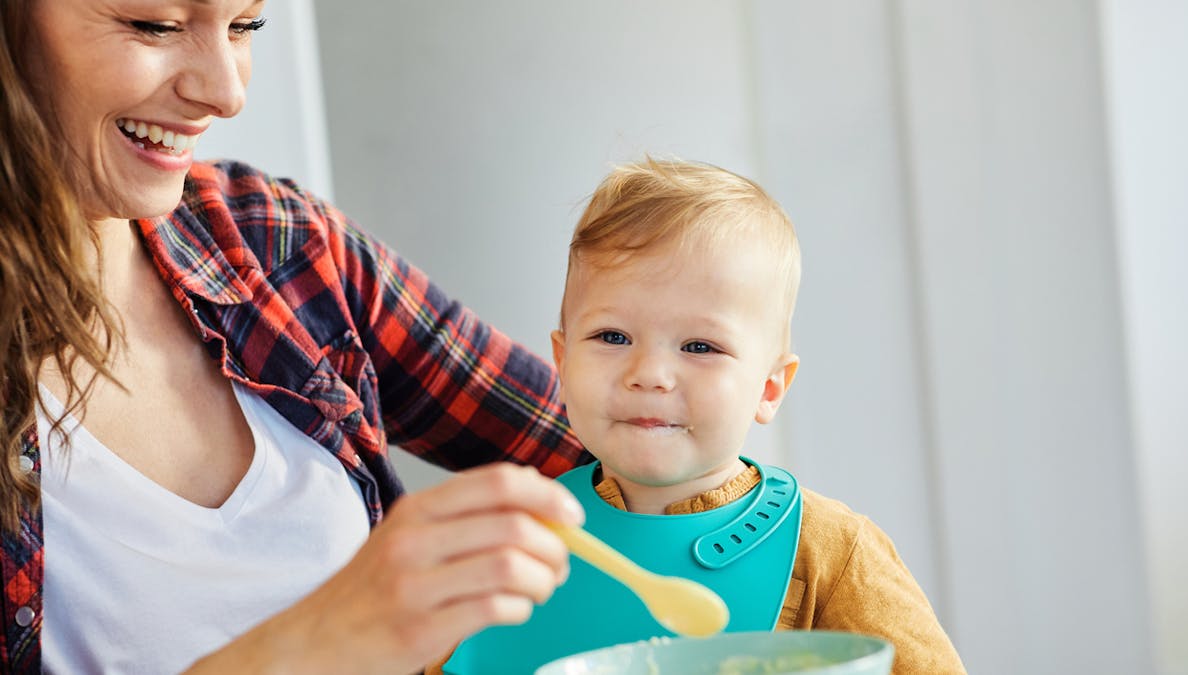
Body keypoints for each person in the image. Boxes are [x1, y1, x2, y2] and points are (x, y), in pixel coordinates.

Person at [0, 1, 595, 672]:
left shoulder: (271, 236)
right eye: (155, 24)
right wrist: (314, 641)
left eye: (244, 26)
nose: (226, 94)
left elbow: (595, 441)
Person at [440, 158, 966, 674]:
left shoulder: (831, 549)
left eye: (699, 346)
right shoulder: (515, 546)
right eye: (612, 337)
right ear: (562, 361)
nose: (649, 374)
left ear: (768, 388)